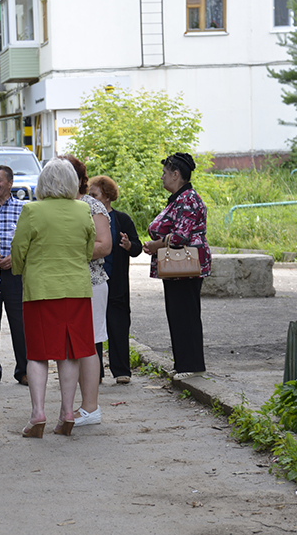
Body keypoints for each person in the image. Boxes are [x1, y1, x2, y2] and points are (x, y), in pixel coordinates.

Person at [11, 158, 96, 437]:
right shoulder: (83, 209)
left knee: (37, 352)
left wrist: (24, 271)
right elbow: (87, 249)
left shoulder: (31, 210)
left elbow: (18, 250)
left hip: (40, 290)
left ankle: (38, 413)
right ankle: (68, 411)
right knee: (69, 352)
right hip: (77, 289)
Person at [144, 152, 211, 381]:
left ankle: (192, 366)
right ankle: (183, 364)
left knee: (186, 315)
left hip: (186, 268)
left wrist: (156, 245)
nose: (161, 177)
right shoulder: (179, 198)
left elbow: (180, 236)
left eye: (164, 173)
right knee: (177, 314)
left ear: (176, 174)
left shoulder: (188, 199)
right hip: (176, 269)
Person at [61, 155, 112, 427]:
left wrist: (68, 253)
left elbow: (104, 245)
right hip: (67, 284)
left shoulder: (92, 205)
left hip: (90, 283)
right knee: (73, 347)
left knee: (88, 345)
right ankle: (80, 407)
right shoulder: (60, 205)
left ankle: (91, 408)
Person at [89, 175, 143, 384]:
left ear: (108, 197)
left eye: (94, 195)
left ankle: (121, 371)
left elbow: (137, 248)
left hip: (117, 282)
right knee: (94, 327)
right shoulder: (88, 218)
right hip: (94, 282)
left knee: (119, 326)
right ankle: (95, 374)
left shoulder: (123, 219)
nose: (91, 199)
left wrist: (129, 245)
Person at [0, 165, 28, 385]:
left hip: (15, 274)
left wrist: (17, 258)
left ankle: (24, 370)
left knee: (20, 324)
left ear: (10, 183)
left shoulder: (24, 209)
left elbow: (33, 242)